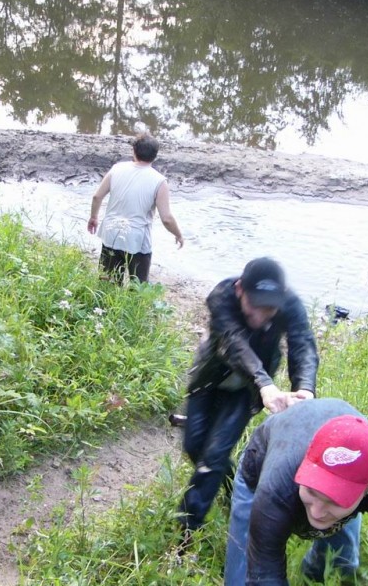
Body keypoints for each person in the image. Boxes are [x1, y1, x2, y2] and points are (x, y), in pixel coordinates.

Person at [178, 257, 318, 539]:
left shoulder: (289, 303)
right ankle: (237, 484)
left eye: (269, 309)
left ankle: (185, 532)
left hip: (245, 392)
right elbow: (232, 341)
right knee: (194, 447)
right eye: (255, 306)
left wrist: (305, 389)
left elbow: (302, 345)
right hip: (210, 377)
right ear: (240, 289)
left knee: (214, 455)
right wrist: (265, 383)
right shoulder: (222, 296)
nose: (261, 316)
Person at [225, 398, 368, 586]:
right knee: (242, 580)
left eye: (335, 500)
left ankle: (314, 569)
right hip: (264, 465)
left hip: (329, 482)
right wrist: (332, 502)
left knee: (340, 568)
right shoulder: (276, 485)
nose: (317, 511)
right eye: (313, 492)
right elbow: (265, 575)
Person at [87, 133, 184, 283]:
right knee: (137, 287)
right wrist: (178, 234)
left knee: (107, 282)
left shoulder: (116, 169)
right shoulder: (159, 181)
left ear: (134, 150)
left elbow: (97, 197)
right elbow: (167, 218)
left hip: (111, 233)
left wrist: (93, 217)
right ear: (155, 156)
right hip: (137, 240)